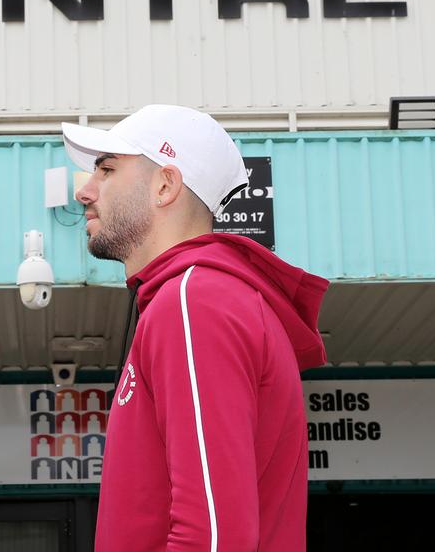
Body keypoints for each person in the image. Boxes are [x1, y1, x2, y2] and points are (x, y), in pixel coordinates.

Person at [62, 105, 329, 552]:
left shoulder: (192, 301)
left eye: (106, 170)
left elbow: (214, 538)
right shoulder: (198, 297)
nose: (84, 192)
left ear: (165, 186)